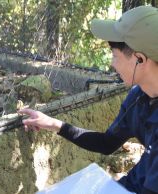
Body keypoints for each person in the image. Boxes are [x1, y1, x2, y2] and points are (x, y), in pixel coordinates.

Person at [18, 5, 158, 194]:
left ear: (139, 59)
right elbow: (107, 143)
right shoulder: (139, 97)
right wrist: (54, 124)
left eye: (115, 56)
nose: (111, 63)